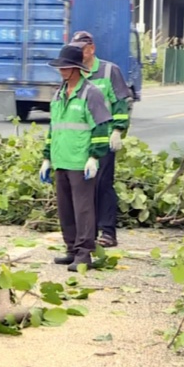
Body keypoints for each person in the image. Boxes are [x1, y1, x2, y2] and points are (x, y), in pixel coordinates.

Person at [39, 44, 112, 271]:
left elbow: (101, 127)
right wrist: (47, 158)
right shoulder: (59, 94)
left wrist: (94, 157)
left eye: (66, 67)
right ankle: (71, 248)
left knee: (83, 209)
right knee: (65, 208)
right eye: (60, 67)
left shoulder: (91, 93)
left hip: (81, 161)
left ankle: (84, 253)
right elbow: (54, 128)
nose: (62, 71)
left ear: (77, 68)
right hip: (61, 159)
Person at [69, 31, 132, 248]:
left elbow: (121, 104)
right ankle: (88, 232)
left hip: (103, 140)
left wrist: (118, 130)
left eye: (81, 50)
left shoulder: (108, 70)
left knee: (103, 185)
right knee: (84, 187)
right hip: (80, 142)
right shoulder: (74, 72)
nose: (78, 54)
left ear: (91, 49)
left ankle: (107, 232)